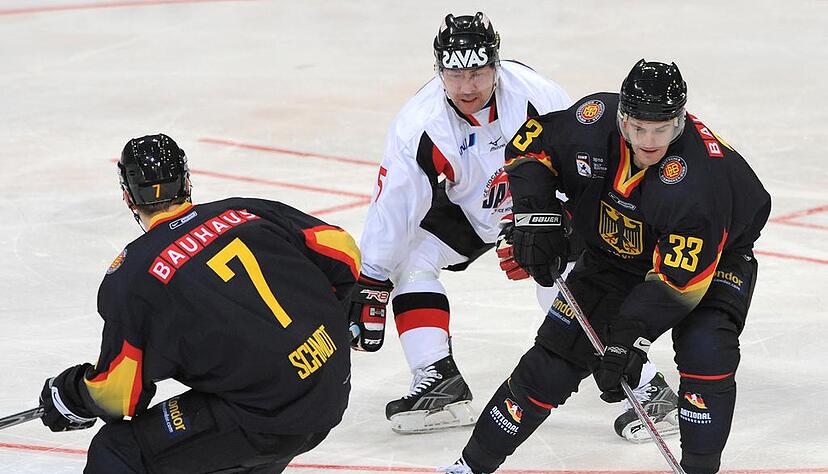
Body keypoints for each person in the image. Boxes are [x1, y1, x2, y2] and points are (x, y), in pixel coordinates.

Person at [348, 12, 678, 439]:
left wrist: (551, 226)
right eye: (454, 73)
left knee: (562, 288)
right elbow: (394, 205)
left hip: (542, 206)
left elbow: (583, 167)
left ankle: (648, 389)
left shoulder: (538, 96)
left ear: (496, 64)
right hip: (468, 211)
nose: (467, 87)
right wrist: (372, 278)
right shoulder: (419, 125)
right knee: (409, 257)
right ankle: (438, 378)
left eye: (478, 71)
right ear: (438, 70)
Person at [442, 60, 771, 474]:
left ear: (681, 122)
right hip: (615, 252)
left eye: (662, 129)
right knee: (553, 360)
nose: (649, 141)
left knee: (706, 349)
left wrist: (627, 340)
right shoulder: (592, 120)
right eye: (638, 128)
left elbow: (676, 285)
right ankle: (468, 467)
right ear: (621, 118)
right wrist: (537, 217)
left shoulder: (700, 185)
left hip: (717, 256)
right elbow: (529, 146)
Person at [38, 134, 360, 473]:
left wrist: (71, 394)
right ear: (187, 180)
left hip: (265, 414)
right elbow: (344, 252)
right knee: (229, 443)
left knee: (118, 451)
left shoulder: (133, 274)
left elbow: (117, 395)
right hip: (328, 384)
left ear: (128, 196)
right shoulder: (244, 210)